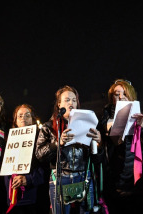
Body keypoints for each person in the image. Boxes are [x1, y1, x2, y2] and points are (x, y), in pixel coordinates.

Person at [35, 85, 101, 214]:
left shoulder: (88, 124)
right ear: (59, 104)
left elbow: (98, 160)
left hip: (84, 176)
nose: (71, 103)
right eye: (67, 100)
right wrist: (58, 143)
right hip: (60, 177)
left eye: (74, 100)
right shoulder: (48, 127)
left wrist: (98, 144)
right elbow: (39, 154)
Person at [97, 79, 143, 214]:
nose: (120, 97)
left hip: (138, 179)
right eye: (116, 94)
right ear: (111, 98)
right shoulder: (104, 119)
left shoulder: (142, 115)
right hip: (116, 180)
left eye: (124, 94)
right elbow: (101, 150)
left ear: (131, 95)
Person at [4, 104, 49, 214]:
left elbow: (46, 167)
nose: (23, 118)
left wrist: (28, 179)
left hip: (34, 199)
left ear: (33, 119)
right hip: (13, 197)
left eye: (27, 115)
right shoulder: (8, 140)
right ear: (15, 121)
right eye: (20, 116)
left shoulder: (41, 139)